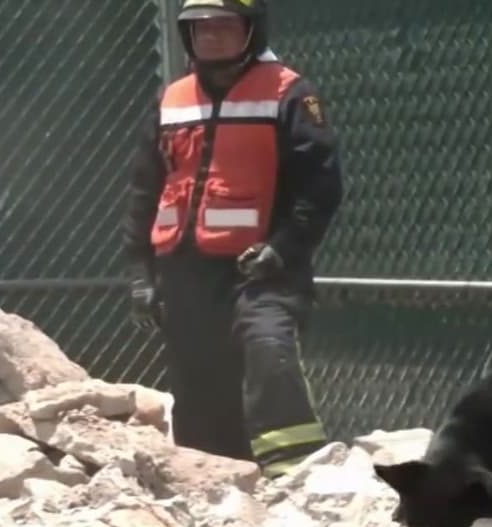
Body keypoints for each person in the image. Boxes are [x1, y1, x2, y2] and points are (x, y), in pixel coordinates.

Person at [119, 0, 343, 478]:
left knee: (268, 350)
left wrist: (282, 248)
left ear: (251, 31)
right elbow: (145, 189)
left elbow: (319, 186)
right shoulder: (172, 99)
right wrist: (141, 272)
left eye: (224, 26)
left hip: (261, 267)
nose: (212, 36)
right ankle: (211, 479)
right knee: (198, 381)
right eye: (200, 28)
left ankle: (297, 477)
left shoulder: (289, 93)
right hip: (184, 268)